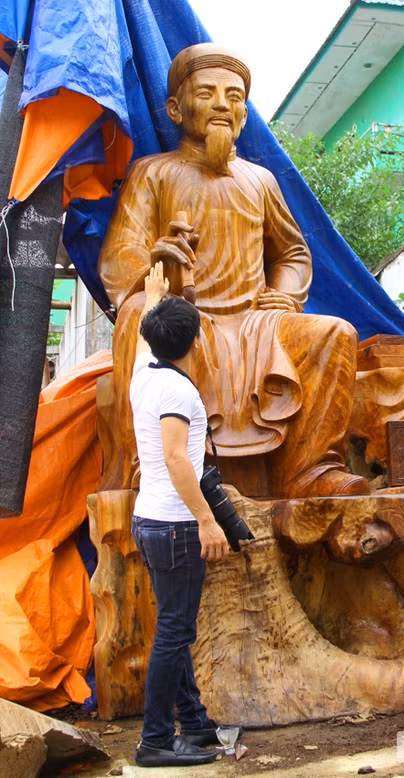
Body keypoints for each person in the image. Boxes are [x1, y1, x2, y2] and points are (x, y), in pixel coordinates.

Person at [98, 43, 369, 500]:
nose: (223, 104)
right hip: (191, 318)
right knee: (140, 316)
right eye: (207, 94)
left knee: (335, 333)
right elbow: (121, 254)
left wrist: (284, 292)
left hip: (255, 322)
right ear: (176, 109)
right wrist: (158, 262)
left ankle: (313, 471)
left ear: (244, 111)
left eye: (235, 95)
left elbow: (293, 253)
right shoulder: (153, 173)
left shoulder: (259, 181)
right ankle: (152, 466)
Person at [130, 261, 239, 768]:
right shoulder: (175, 390)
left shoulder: (144, 372)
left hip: (150, 518)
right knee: (174, 631)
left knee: (176, 625)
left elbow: (142, 335)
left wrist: (153, 298)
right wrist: (206, 519)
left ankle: (194, 724)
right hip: (175, 524)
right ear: (194, 343)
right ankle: (155, 740)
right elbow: (177, 457)